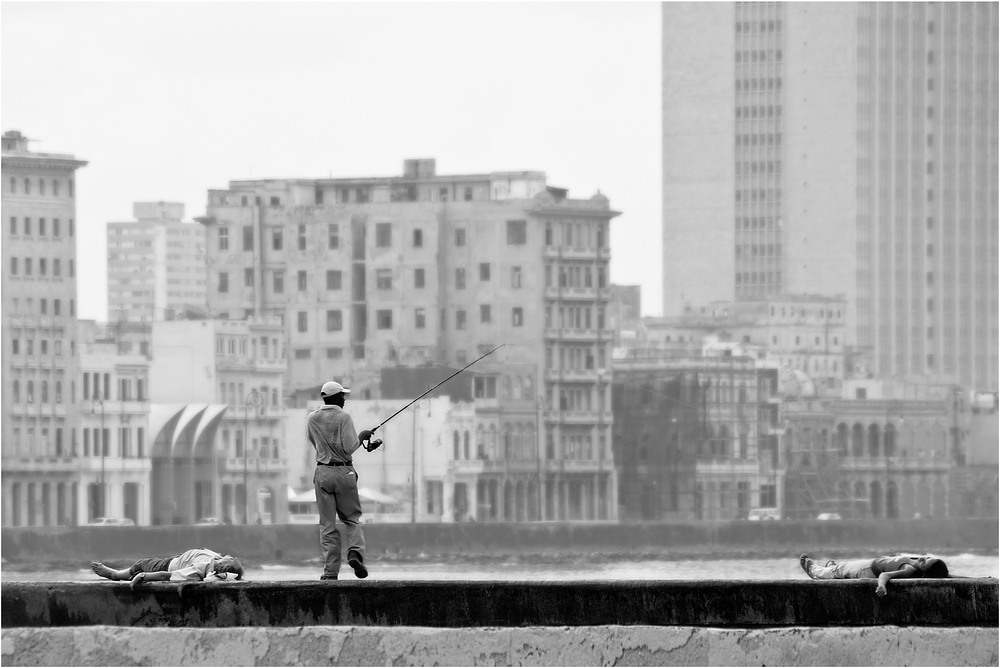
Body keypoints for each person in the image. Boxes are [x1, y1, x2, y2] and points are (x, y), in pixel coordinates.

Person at [307, 380, 382, 581]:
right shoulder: (344, 417)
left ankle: (330, 571)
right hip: (344, 472)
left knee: (327, 524)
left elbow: (314, 441)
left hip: (322, 472)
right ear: (335, 397)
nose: (345, 398)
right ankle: (355, 554)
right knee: (351, 519)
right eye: (343, 395)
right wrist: (362, 437)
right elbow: (349, 447)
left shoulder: (312, 418)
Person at [799, 553, 949, 597]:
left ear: (923, 572)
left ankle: (815, 571)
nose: (923, 559)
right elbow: (946, 575)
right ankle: (832, 569)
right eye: (928, 558)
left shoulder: (910, 570)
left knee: (843, 569)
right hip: (873, 563)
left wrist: (881, 586)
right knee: (843, 568)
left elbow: (884, 575)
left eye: (924, 563)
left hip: (869, 570)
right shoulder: (916, 562)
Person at [91, 548, 243, 591]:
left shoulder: (200, 569)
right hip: (176, 559)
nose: (229, 555)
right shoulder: (215, 559)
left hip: (167, 566)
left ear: (223, 566)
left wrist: (144, 576)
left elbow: (166, 576)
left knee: (140, 564)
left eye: (230, 558)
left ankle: (115, 574)